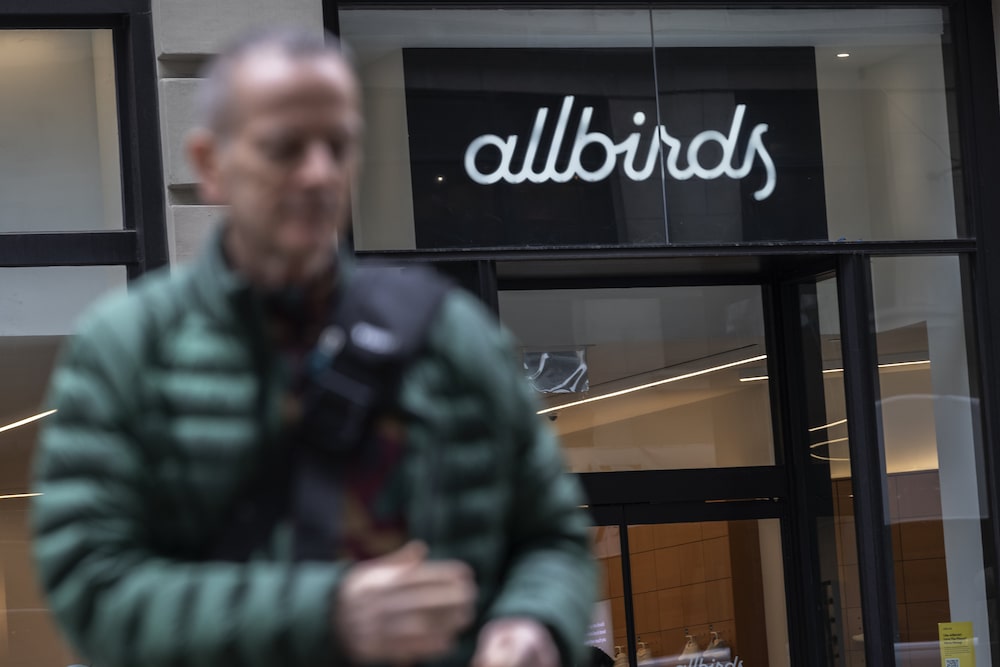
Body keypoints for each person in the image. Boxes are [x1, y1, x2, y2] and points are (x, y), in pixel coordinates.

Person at [31, 26, 595, 667]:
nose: (320, 173)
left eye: (339, 145)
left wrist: (531, 624)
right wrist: (329, 614)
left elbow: (552, 536)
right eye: (286, 148)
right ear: (210, 164)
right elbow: (92, 588)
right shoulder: (131, 349)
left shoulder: (451, 334)